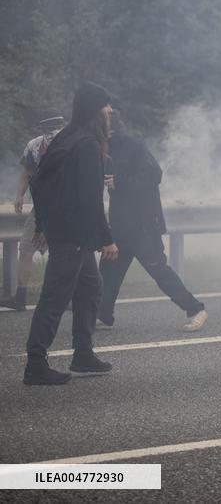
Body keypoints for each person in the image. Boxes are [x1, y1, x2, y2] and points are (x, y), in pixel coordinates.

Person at [23, 82, 119, 385]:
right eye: (106, 104)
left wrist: (42, 225)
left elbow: (38, 183)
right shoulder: (88, 144)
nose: (110, 110)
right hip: (74, 236)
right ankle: (35, 364)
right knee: (54, 297)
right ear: (95, 108)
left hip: (66, 231)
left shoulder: (66, 136)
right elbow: (91, 199)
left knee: (90, 288)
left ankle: (83, 354)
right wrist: (107, 239)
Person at [97, 114, 207, 331]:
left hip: (143, 224)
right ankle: (104, 316)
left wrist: (121, 182)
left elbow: (154, 174)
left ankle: (196, 310)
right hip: (120, 224)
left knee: (159, 271)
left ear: (112, 127)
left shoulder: (134, 146)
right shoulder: (101, 148)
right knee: (109, 272)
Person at [2, 111, 65, 311]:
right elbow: (27, 172)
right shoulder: (34, 146)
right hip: (40, 206)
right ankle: (20, 297)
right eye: (48, 129)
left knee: (64, 251)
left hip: (65, 206)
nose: (51, 133)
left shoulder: (71, 143)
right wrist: (19, 194)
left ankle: (68, 297)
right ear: (42, 129)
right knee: (26, 249)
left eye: (55, 128)